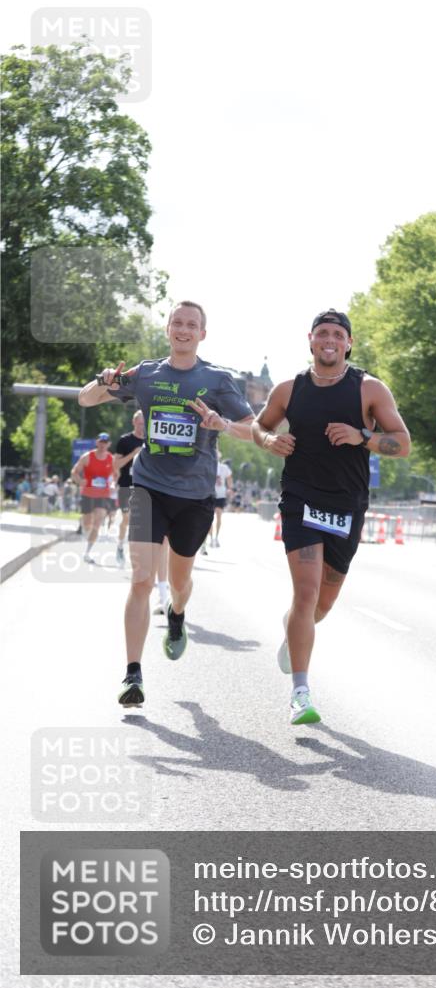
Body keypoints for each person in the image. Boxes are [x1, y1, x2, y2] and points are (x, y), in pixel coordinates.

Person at [78, 300, 255, 707]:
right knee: (141, 578)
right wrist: (106, 380)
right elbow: (87, 399)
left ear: (202, 334)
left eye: (192, 325)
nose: (184, 329)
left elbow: (254, 430)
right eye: (177, 322)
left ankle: (176, 614)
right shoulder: (145, 373)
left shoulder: (217, 379)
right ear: (168, 329)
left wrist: (222, 424)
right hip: (147, 487)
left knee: (179, 582)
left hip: (194, 497)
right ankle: (132, 675)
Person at [252, 307, 411, 725]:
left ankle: (293, 633)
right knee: (305, 593)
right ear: (310, 339)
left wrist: (364, 436)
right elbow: (258, 426)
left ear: (348, 343)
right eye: (322, 333)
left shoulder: (370, 389)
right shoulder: (288, 389)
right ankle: (300, 694)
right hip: (300, 499)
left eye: (337, 335)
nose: (329, 340)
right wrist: (270, 441)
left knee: (322, 602)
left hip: (347, 505)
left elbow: (403, 443)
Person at [71, 433, 115, 563]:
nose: (102, 445)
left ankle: (88, 552)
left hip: (102, 495)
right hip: (88, 493)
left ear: (109, 444)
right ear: (97, 442)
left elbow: (114, 476)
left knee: (98, 522)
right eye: (101, 442)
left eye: (105, 442)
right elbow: (74, 471)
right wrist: (79, 481)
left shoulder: (111, 459)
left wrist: (112, 484)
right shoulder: (87, 457)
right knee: (87, 523)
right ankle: (86, 538)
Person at [113, 410, 145, 565]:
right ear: (134, 423)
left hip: (144, 487)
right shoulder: (125, 441)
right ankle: (120, 545)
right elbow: (116, 465)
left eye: (144, 424)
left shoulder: (151, 441)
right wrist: (133, 454)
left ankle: (137, 555)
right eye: (139, 424)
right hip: (126, 485)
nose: (142, 427)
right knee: (127, 519)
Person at [210, 454, 233, 548]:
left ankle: (216, 537)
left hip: (220, 495)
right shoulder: (209, 464)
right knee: (209, 518)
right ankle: (211, 538)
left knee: (219, 516)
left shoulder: (224, 468)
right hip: (210, 494)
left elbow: (229, 477)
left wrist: (230, 488)